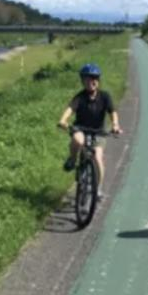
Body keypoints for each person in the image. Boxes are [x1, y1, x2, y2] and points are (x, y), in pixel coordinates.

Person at [58, 63, 123, 198]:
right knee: (78, 140)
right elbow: (70, 109)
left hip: (98, 132)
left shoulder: (105, 96)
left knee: (98, 157)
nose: (91, 82)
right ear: (83, 81)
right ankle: (72, 159)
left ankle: (97, 188)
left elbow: (112, 112)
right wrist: (63, 120)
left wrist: (115, 125)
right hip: (80, 129)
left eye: (94, 78)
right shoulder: (80, 97)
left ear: (98, 81)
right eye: (87, 79)